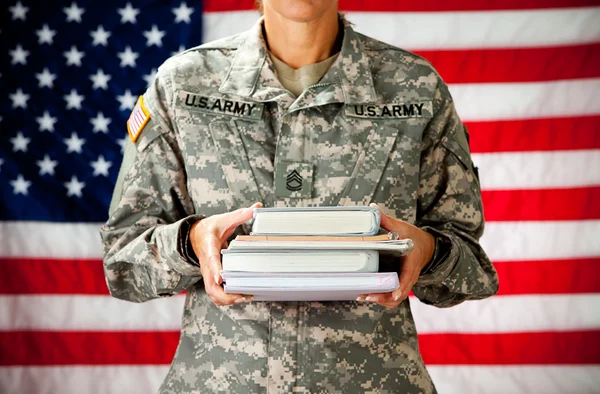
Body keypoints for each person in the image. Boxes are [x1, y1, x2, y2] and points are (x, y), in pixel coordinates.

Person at [100, 0, 499, 392]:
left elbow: (471, 266)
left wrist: (428, 251)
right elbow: (123, 263)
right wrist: (190, 243)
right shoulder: (183, 85)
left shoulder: (414, 87)